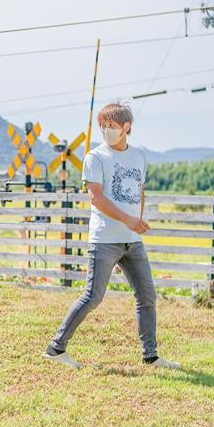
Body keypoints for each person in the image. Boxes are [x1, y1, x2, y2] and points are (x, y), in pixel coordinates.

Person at [43, 102, 180, 370]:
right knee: (93, 296)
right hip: (105, 240)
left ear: (126, 127)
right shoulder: (96, 157)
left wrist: (136, 221)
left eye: (112, 126)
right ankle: (55, 349)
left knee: (147, 295)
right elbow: (96, 197)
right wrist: (128, 219)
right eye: (103, 126)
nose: (106, 131)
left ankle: (150, 356)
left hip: (133, 241)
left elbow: (140, 190)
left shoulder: (139, 154)